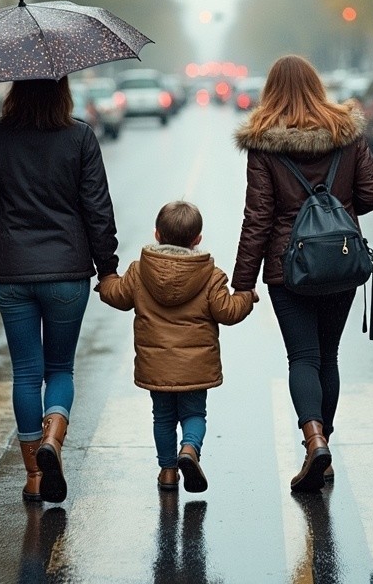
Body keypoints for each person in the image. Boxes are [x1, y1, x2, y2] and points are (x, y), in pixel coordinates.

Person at [231, 55, 373, 493]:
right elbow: (372, 193)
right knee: (329, 356)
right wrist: (338, 204)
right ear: (318, 86)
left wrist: (243, 283)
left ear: (270, 91)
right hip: (339, 260)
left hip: (288, 268)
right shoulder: (346, 132)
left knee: (302, 358)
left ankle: (313, 439)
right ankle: (324, 451)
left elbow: (257, 218)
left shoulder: (264, 143)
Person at [0, 77, 119, 505]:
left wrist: (12, 222)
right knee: (61, 369)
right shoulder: (80, 136)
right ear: (62, 90)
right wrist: (107, 268)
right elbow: (97, 209)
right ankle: (54, 436)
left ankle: (34, 474)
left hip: (13, 272)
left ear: (16, 89)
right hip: (67, 272)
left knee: (26, 374)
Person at [98, 200, 255, 493]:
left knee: (163, 417)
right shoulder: (210, 275)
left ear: (157, 234)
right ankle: (190, 450)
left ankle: (168, 472)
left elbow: (117, 295)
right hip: (196, 368)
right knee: (194, 415)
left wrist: (105, 279)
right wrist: (246, 296)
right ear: (197, 239)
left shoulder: (138, 271)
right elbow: (228, 312)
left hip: (155, 366)